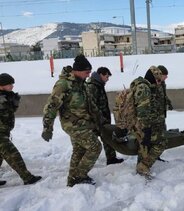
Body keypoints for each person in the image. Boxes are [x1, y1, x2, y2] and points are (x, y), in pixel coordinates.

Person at [41, 54, 102, 187]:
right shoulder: (63, 85)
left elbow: (91, 104)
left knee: (79, 150)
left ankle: (72, 180)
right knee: (95, 147)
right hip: (73, 125)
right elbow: (51, 107)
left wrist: (100, 120)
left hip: (84, 124)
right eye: (87, 72)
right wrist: (47, 128)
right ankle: (79, 175)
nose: (88, 75)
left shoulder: (82, 84)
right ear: (78, 71)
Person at [0, 73, 42, 186]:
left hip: (4, 131)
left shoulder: (7, 96)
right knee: (13, 155)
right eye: (9, 84)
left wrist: (13, 103)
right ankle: (27, 178)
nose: (12, 86)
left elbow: (8, 113)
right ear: (1, 85)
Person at [130, 66, 167, 178]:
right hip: (143, 125)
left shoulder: (147, 86)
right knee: (160, 143)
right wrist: (146, 129)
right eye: (158, 80)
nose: (159, 83)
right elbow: (142, 112)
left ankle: (141, 167)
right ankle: (143, 166)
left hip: (147, 123)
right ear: (152, 77)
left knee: (144, 146)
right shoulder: (144, 89)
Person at [86, 67, 124, 165]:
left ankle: (111, 158)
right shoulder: (92, 87)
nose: (108, 79)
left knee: (108, 137)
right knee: (92, 141)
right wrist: (98, 118)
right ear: (101, 75)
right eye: (106, 76)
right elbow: (91, 105)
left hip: (103, 119)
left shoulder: (99, 85)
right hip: (96, 120)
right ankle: (84, 162)